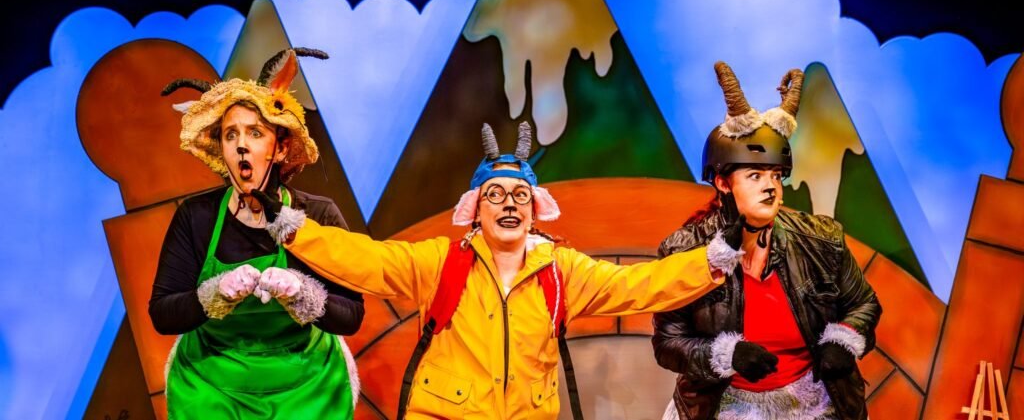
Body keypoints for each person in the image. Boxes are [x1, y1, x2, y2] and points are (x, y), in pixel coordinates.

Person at [253, 121, 741, 419]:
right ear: (476, 209)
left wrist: (711, 259)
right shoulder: (439, 262)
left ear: (534, 209)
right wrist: (295, 230)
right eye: (496, 195)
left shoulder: (561, 270)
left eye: (520, 196)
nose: (509, 205)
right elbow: (366, 259)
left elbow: (640, 285)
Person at [654, 62, 881, 420]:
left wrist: (843, 339)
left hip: (809, 403)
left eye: (776, 175)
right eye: (755, 175)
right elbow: (668, 343)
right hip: (723, 405)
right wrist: (726, 355)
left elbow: (864, 303)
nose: (770, 187)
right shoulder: (683, 250)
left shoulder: (821, 240)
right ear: (723, 183)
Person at [150, 48, 364, 419]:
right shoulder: (196, 217)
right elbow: (163, 314)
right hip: (214, 384)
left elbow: (352, 315)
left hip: (305, 384)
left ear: (279, 149)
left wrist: (302, 293)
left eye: (255, 133)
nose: (241, 144)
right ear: (222, 150)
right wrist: (215, 293)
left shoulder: (318, 214)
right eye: (230, 134)